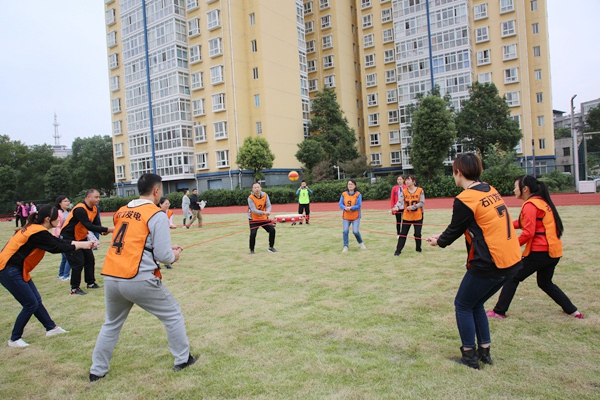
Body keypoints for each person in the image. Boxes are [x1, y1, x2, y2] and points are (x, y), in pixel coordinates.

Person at [89, 173, 195, 381]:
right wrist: (173, 255)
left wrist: (164, 249)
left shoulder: (122, 211)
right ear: (156, 191)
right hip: (137, 276)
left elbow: (136, 241)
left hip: (112, 275)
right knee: (173, 314)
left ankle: (97, 371)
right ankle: (183, 359)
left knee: (111, 324)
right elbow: (163, 256)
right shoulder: (156, 214)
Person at [425, 153, 522, 369]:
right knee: (475, 303)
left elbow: (454, 231)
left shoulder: (465, 199)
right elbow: (467, 226)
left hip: (490, 262)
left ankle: (469, 356)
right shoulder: (490, 190)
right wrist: (442, 236)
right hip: (511, 260)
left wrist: (439, 241)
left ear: (458, 172)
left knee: (462, 304)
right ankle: (484, 352)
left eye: (453, 171)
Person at [487, 175, 584, 320]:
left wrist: (510, 246)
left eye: (515, 186)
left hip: (540, 253)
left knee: (512, 277)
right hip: (553, 252)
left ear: (525, 189)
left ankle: (499, 311)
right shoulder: (541, 202)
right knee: (545, 283)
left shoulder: (530, 205)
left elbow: (528, 232)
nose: (514, 190)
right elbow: (523, 223)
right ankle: (573, 311)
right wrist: (502, 226)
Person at [0, 205, 97, 348]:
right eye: (57, 218)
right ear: (47, 219)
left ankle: (51, 328)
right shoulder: (37, 232)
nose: (59, 221)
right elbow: (56, 247)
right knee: (30, 304)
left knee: (36, 300)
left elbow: (58, 242)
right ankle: (14, 339)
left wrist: (83, 244)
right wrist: (82, 245)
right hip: (8, 270)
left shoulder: (36, 229)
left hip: (15, 269)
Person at [61, 189, 114, 295]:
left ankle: (90, 283)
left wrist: (103, 232)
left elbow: (96, 224)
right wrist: (109, 229)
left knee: (90, 260)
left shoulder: (94, 208)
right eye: (96, 197)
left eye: (99, 197)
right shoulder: (80, 209)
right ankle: (74, 288)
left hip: (82, 237)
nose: (98, 199)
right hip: (70, 238)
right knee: (78, 262)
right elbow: (88, 225)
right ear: (88, 197)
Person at [394, 175, 425, 256]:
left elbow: (422, 202)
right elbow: (400, 201)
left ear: (413, 181)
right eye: (406, 180)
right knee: (403, 234)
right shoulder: (404, 191)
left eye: (409, 180)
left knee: (417, 233)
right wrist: (396, 207)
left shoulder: (420, 190)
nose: (406, 182)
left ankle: (418, 248)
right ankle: (398, 251)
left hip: (418, 216)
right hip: (407, 216)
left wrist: (413, 207)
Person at [247, 182, 276, 254]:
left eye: (258, 187)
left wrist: (268, 211)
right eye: (255, 188)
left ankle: (271, 247)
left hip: (263, 218)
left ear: (261, 188)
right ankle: (252, 250)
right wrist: (264, 212)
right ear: (252, 189)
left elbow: (268, 205)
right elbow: (253, 210)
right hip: (253, 219)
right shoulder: (250, 198)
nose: (257, 189)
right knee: (253, 233)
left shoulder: (265, 195)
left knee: (272, 230)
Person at [339, 179, 366, 253]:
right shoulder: (344, 194)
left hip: (355, 216)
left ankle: (361, 243)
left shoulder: (358, 194)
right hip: (346, 216)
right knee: (345, 231)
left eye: (351, 184)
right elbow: (340, 204)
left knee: (355, 231)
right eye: (349, 184)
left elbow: (358, 205)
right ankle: (345, 246)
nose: (350, 185)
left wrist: (351, 208)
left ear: (355, 186)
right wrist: (344, 207)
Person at [53, 195, 72, 281]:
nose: (67, 203)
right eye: (65, 201)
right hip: (63, 237)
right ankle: (66, 275)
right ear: (59, 203)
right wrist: (59, 236)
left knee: (64, 257)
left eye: (68, 201)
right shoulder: (58, 213)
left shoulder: (69, 212)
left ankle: (61, 274)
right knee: (69, 256)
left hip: (67, 236)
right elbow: (57, 226)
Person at [159, 197, 177, 269]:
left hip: (165, 232)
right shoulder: (156, 212)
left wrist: (172, 225)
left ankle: (167, 262)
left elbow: (170, 222)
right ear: (160, 204)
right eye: (165, 204)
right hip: (158, 232)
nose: (167, 205)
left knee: (166, 246)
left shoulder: (170, 212)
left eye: (168, 204)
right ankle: (157, 263)